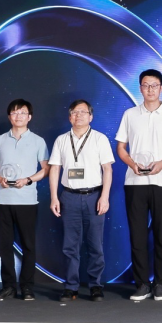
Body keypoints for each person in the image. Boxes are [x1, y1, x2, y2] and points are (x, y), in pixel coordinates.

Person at [115, 69, 162, 302]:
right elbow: (121, 147)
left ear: (161, 88)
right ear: (140, 88)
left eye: (154, 85)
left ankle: (160, 284)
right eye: (146, 85)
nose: (150, 89)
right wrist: (131, 164)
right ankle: (142, 284)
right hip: (135, 181)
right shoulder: (130, 114)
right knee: (137, 235)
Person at [48, 99, 115, 302]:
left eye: (83, 112)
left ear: (90, 116)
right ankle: (71, 286)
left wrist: (105, 197)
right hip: (68, 196)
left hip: (94, 196)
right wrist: (54, 197)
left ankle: (95, 286)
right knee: (70, 246)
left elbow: (107, 169)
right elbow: (55, 169)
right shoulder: (61, 140)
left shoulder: (100, 139)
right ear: (70, 117)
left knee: (95, 245)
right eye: (75, 112)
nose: (79, 116)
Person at [0, 99, 50, 302]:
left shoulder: (38, 141)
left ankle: (27, 287)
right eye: (14, 113)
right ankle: (8, 287)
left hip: (27, 201)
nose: (18, 116)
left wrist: (28, 179)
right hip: (2, 200)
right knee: (4, 246)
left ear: (29, 117)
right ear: (9, 117)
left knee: (28, 245)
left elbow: (46, 169)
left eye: (22, 113)